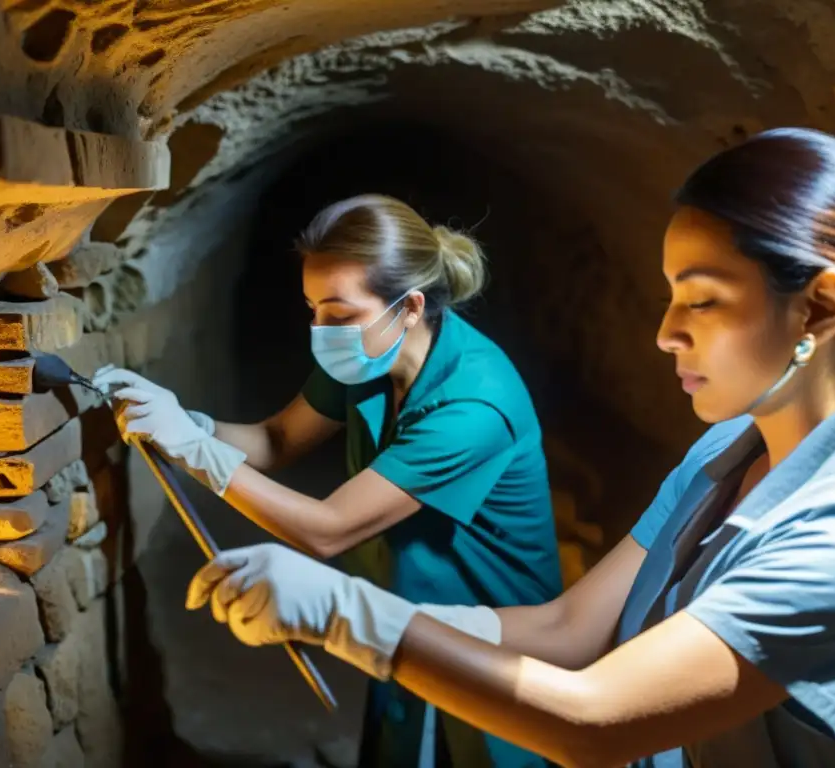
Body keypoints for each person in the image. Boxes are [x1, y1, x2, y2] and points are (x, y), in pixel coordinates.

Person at [185, 128, 835, 768]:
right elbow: (570, 629)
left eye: (703, 299)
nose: (665, 332)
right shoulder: (728, 451)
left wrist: (352, 615)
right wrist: (377, 617)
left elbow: (597, 722)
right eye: (670, 294)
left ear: (819, 307)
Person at [94, 194, 563, 768]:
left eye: (339, 314)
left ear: (411, 307)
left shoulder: (472, 405)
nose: (321, 331)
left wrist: (196, 454)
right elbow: (277, 441)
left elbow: (329, 530)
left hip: (493, 637)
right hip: (406, 613)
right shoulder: (367, 352)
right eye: (313, 308)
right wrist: (189, 423)